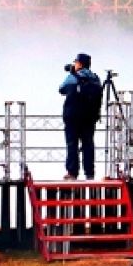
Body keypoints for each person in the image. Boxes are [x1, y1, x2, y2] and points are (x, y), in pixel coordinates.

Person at [58, 52, 103, 180]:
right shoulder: (95, 78)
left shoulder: (73, 77)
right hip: (89, 118)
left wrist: (72, 73)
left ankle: (72, 173)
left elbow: (61, 89)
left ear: (80, 64)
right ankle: (90, 173)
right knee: (88, 144)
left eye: (76, 62)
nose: (74, 64)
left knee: (72, 144)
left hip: (73, 117)